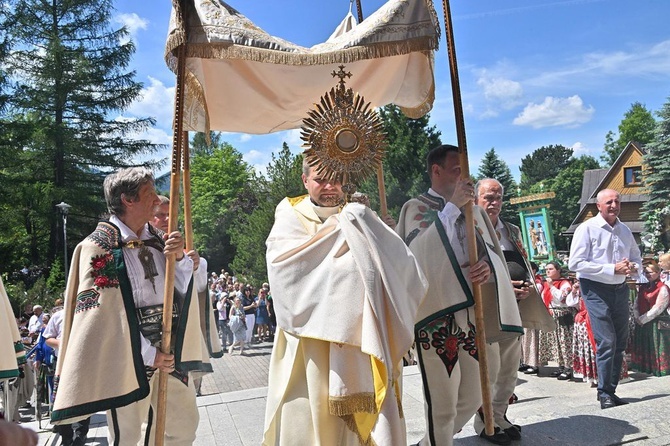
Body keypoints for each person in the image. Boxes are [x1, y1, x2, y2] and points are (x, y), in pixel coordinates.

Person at [262, 157, 426, 445]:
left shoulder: (360, 214)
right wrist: (348, 228)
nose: (329, 187)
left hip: (363, 338)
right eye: (320, 179)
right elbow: (286, 272)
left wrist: (379, 234)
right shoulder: (290, 215)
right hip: (310, 344)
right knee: (315, 427)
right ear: (305, 181)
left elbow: (396, 270)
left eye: (336, 179)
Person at [50, 167, 211, 445]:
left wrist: (181, 258)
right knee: (127, 436)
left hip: (170, 351)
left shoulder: (160, 240)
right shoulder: (98, 247)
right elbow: (103, 319)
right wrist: (148, 354)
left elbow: (185, 293)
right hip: (128, 356)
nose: (157, 201)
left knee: (183, 428)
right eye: (149, 194)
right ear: (128, 200)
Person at [396, 146, 523, 446]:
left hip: (472, 313)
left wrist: (486, 268)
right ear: (436, 171)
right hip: (437, 317)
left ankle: (430, 443)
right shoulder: (415, 208)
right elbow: (416, 255)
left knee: (478, 391)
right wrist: (451, 207)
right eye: (456, 168)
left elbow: (491, 253)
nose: (463, 175)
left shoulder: (474, 210)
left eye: (465, 168)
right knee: (442, 402)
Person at [473, 178, 555, 443]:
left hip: (515, 307)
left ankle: (500, 416)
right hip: (487, 308)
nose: (494, 202)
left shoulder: (511, 230)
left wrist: (528, 284)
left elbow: (523, 261)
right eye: (488, 197)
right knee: (491, 368)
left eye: (498, 197)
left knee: (509, 368)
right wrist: (502, 285)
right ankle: (486, 422)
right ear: (475, 198)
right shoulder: (468, 228)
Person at [569, 188, 643, 409]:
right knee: (607, 341)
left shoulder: (624, 230)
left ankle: (611, 390)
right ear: (598, 206)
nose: (614, 205)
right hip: (595, 290)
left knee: (620, 342)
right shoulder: (587, 229)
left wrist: (632, 267)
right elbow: (575, 264)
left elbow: (636, 259)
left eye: (617, 201)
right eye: (609, 202)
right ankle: (603, 393)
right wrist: (612, 268)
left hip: (620, 289)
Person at [44, 308, 91, 446]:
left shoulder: (89, 311)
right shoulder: (58, 315)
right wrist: (62, 344)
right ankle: (66, 436)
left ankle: (81, 435)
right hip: (63, 364)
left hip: (84, 363)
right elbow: (48, 338)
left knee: (85, 398)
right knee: (62, 400)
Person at [630, 262, 670, 376]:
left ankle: (659, 368)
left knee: (656, 346)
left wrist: (643, 319)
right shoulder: (643, 287)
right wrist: (637, 316)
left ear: (658, 273)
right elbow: (636, 303)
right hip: (643, 322)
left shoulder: (663, 288)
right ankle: (646, 368)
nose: (648, 275)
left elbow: (659, 307)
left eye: (650, 272)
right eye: (646, 272)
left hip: (656, 323)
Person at [538, 261, 576, 380]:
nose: (547, 271)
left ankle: (569, 368)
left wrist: (551, 286)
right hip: (552, 313)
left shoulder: (564, 283)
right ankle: (561, 366)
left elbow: (562, 298)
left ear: (558, 270)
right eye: (546, 269)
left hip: (562, 314)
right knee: (556, 342)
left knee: (565, 341)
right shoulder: (547, 283)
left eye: (550, 269)